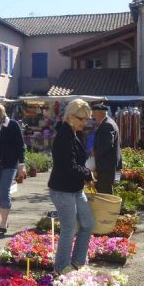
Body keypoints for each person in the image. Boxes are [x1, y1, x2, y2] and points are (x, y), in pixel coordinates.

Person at [48, 98, 95, 275]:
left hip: (74, 189)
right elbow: (69, 165)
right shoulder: (64, 136)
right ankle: (61, 267)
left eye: (87, 119)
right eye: (82, 119)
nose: (85, 122)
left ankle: (77, 262)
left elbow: (75, 163)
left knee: (88, 224)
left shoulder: (74, 133)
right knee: (69, 229)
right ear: (70, 117)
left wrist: (85, 175)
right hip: (62, 190)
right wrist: (87, 174)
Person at [0, 103, 26, 236]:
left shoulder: (12, 125)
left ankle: (3, 223)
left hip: (10, 164)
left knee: (4, 192)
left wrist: (21, 164)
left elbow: (21, 145)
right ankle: (4, 221)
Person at [91, 103, 121, 195]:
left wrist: (95, 152)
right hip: (107, 165)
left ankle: (109, 205)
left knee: (105, 193)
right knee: (105, 191)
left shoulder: (107, 124)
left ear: (101, 113)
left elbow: (108, 144)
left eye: (94, 113)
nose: (92, 116)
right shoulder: (108, 122)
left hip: (106, 166)